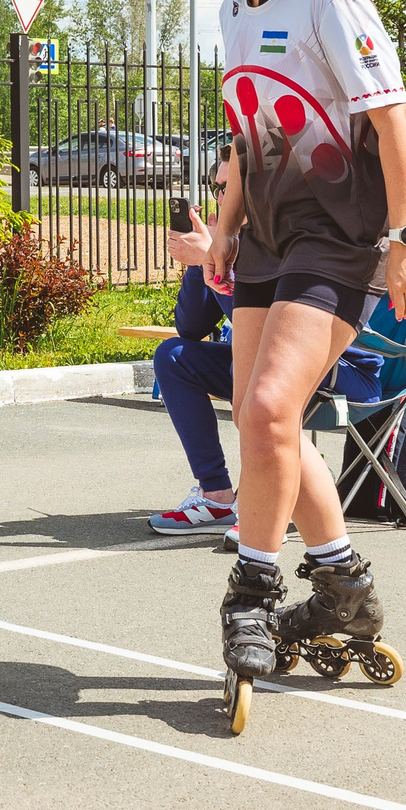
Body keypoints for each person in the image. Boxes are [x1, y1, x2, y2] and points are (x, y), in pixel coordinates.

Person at [157, 0, 406, 713]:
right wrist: (227, 232)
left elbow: (392, 120)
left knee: (273, 410)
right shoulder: (239, 17)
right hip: (269, 241)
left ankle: (253, 587)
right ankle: (344, 581)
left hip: (339, 237)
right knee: (262, 421)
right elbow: (245, 143)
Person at [150, 152, 381, 536]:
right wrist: (203, 264)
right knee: (173, 356)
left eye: (231, 187)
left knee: (262, 382)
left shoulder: (288, 237)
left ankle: (274, 504)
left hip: (338, 369)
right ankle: (218, 497)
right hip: (260, 366)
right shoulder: (229, 243)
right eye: (217, 188)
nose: (223, 197)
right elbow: (190, 328)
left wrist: (213, 258)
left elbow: (273, 324)